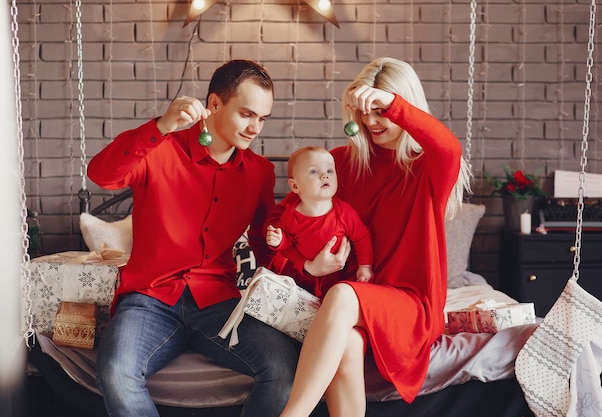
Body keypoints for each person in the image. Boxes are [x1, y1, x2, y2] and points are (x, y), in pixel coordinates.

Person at [87, 59, 299, 417]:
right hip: (149, 299)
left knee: (284, 370)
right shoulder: (160, 149)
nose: (255, 128)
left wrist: (294, 261)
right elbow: (101, 175)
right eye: (247, 114)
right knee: (116, 370)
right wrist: (161, 126)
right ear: (215, 104)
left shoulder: (260, 173)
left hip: (219, 303)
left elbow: (265, 244)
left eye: (262, 118)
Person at [272, 57, 472, 417]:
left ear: (403, 104)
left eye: (381, 111)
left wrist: (392, 105)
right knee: (347, 343)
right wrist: (308, 264)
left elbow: (450, 147)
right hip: (353, 307)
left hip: (409, 304)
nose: (371, 121)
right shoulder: (338, 164)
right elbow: (285, 218)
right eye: (366, 112)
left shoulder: (428, 166)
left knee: (344, 294)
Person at [266, 146, 373, 298]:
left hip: (338, 277)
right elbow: (287, 245)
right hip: (302, 278)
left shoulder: (343, 212)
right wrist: (279, 241)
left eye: (330, 171)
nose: (325, 176)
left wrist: (365, 266)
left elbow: (361, 237)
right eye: (314, 171)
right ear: (295, 186)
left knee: (341, 297)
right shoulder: (290, 215)